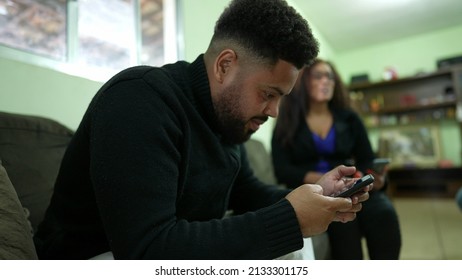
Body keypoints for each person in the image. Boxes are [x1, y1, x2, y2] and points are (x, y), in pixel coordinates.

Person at [33, 0, 370, 260]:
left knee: (292, 249)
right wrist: (290, 219)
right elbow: (147, 251)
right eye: (268, 94)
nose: (274, 111)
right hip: (93, 259)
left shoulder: (227, 122)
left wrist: (317, 192)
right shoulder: (139, 99)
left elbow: (249, 193)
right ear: (225, 66)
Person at [271, 59, 401, 260]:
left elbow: (367, 159)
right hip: (316, 192)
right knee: (344, 225)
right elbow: (282, 169)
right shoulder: (288, 121)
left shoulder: (349, 118)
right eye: (319, 76)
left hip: (352, 186)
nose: (326, 81)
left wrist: (374, 179)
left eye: (330, 77)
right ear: (304, 81)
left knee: (384, 212)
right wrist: (319, 179)